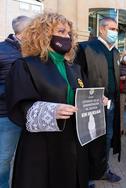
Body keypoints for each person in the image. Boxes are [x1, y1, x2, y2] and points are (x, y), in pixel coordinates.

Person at [6, 12, 97, 188]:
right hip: (42, 146)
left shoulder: (74, 68)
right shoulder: (26, 66)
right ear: (43, 34)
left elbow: (81, 96)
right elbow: (20, 105)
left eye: (69, 33)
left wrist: (95, 101)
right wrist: (51, 111)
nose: (66, 36)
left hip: (73, 140)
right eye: (61, 31)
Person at [74, 17, 121, 185]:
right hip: (92, 104)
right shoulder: (86, 48)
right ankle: (87, 176)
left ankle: (102, 169)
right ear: (101, 29)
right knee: (91, 139)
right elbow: (77, 76)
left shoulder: (115, 52)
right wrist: (90, 96)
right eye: (112, 28)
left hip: (111, 104)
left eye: (116, 30)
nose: (115, 32)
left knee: (107, 137)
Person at [0, 15, 31, 188]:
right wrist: (14, 92)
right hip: (6, 115)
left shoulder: (33, 51)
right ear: (24, 32)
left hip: (29, 115)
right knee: (4, 159)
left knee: (24, 157)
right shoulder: (2, 50)